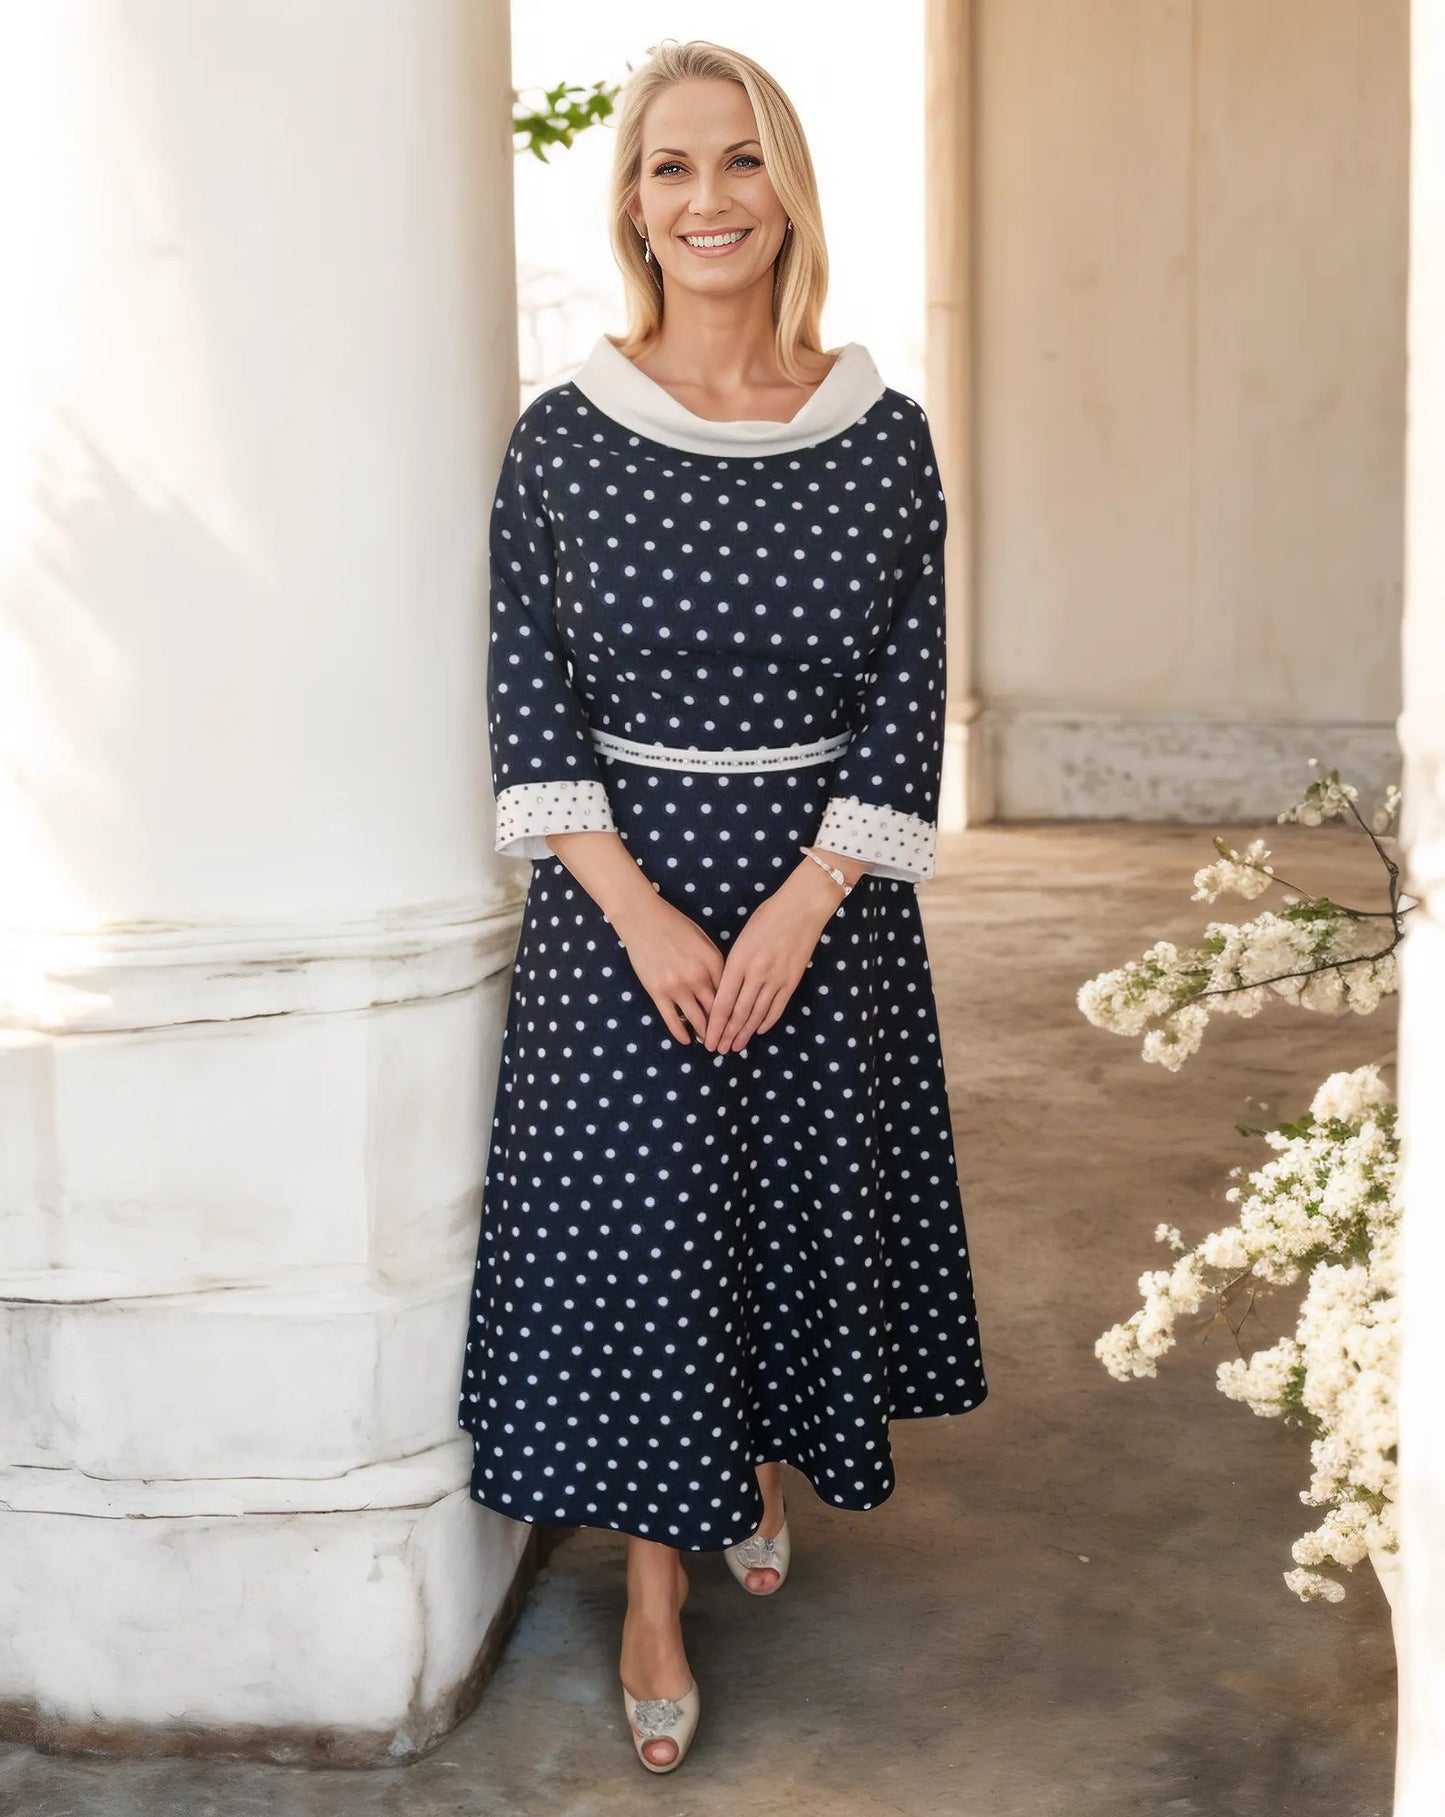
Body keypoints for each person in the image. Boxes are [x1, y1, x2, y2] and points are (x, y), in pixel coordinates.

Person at [457, 36, 988, 1775]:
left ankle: (751, 1456)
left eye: (739, 162)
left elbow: (910, 697)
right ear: (631, 202)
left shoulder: (880, 434)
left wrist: (804, 900)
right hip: (626, 905)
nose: (706, 200)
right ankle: (653, 1592)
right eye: (670, 168)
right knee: (644, 1241)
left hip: (821, 903)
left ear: (787, 192)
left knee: (777, 1207)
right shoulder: (561, 439)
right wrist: (642, 911)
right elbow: (527, 698)